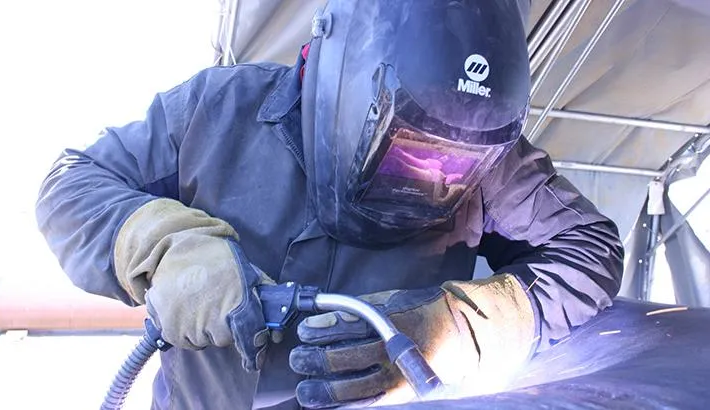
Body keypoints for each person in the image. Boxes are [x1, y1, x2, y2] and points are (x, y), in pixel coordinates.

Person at [35, 0, 623, 409]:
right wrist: (168, 247)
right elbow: (72, 181)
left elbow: (590, 249)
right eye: (411, 147)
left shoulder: (487, 153)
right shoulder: (215, 112)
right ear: (338, 83)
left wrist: (459, 328)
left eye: (460, 164)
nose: (436, 177)